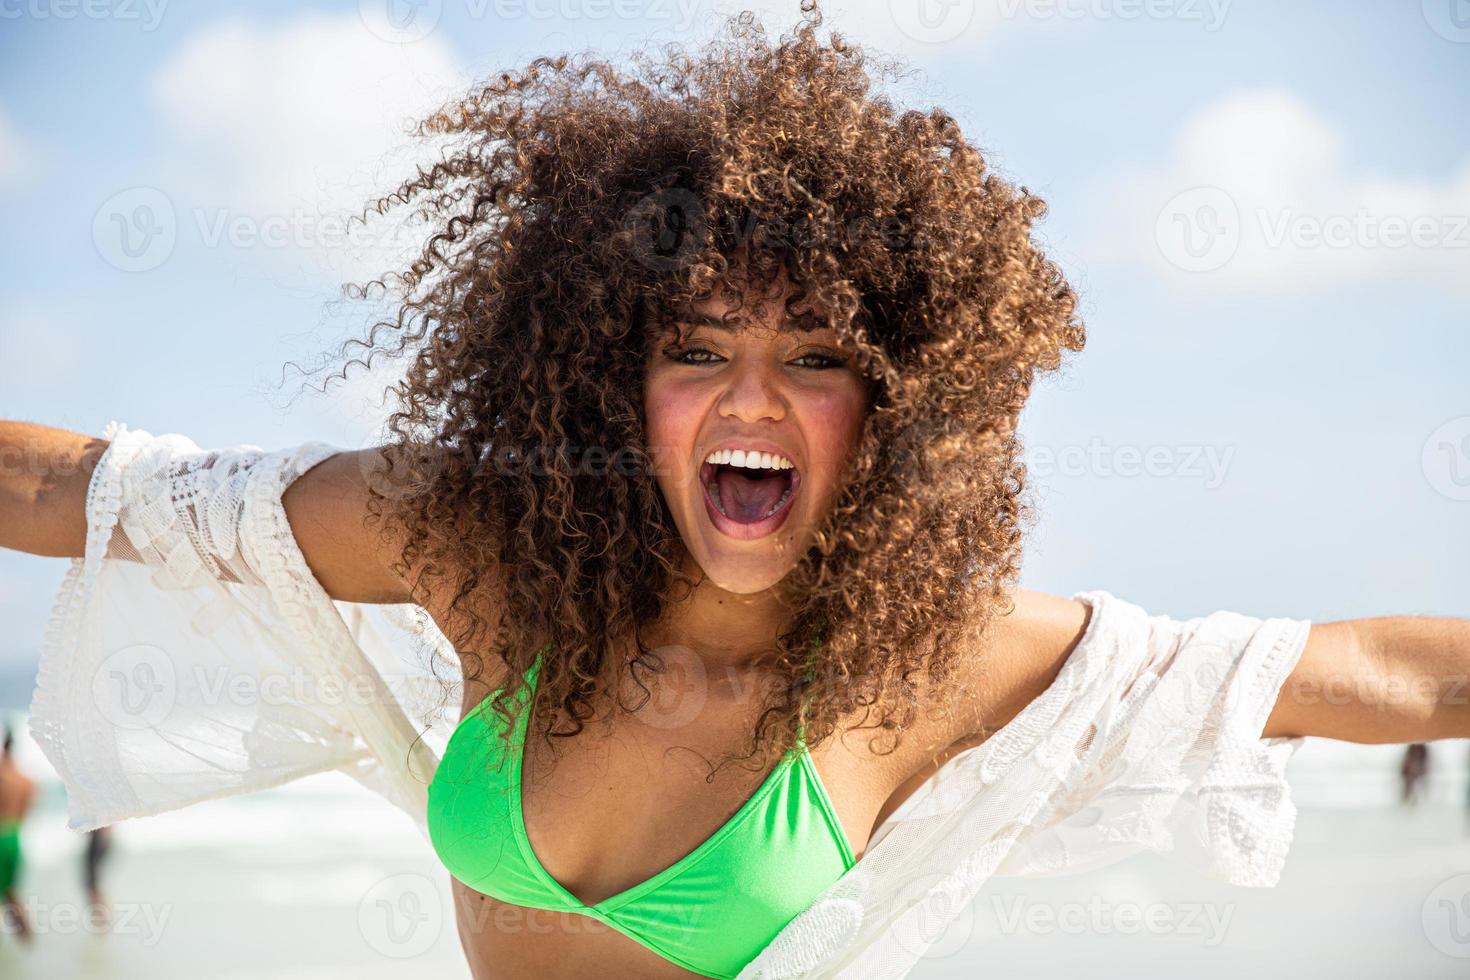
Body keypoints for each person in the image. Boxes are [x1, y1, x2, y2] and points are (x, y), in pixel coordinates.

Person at [3, 4, 1469, 978]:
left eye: (817, 357)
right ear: (602, 379)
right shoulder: (480, 550)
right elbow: (100, 494)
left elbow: (1349, 673)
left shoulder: (931, 660)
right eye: (695, 349)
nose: (750, 399)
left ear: (897, 408)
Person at [0, 722, 36, 944]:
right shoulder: (26, 781)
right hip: (15, 838)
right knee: (11, 894)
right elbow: (24, 815)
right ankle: (28, 941)